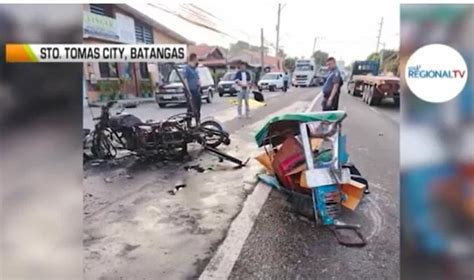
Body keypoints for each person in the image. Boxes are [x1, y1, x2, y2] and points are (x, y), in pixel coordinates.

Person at [182, 53, 201, 123]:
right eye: (197, 58)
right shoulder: (187, 68)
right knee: (190, 108)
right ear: (194, 58)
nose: (198, 60)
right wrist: (188, 91)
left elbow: (197, 78)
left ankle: (198, 123)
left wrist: (199, 82)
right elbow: (185, 79)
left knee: (198, 107)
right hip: (190, 91)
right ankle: (189, 124)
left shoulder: (195, 69)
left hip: (196, 90)